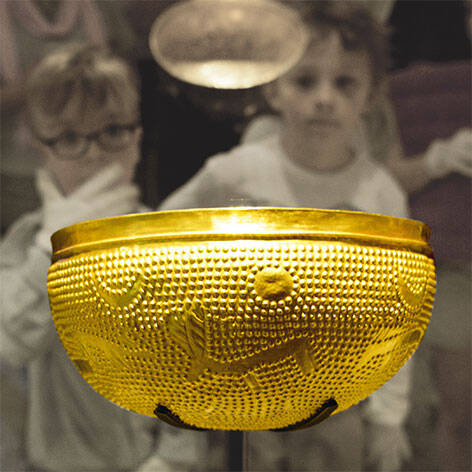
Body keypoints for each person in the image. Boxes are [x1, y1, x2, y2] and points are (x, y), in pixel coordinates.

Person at [157, 2, 413, 471]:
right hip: (245, 395)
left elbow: (398, 319)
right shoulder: (234, 174)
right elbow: (159, 241)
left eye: (344, 83)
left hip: (342, 399)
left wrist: (390, 417)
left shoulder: (381, 196)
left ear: (372, 95)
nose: (324, 98)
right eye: (304, 80)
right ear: (274, 87)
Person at [0, 43, 171, 472]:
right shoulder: (25, 243)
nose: (94, 153)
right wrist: (52, 245)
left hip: (145, 460)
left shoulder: (169, 244)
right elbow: (10, 345)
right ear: (43, 148)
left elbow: (201, 371)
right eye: (71, 138)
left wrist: (172, 460)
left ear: (136, 138)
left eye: (112, 131)